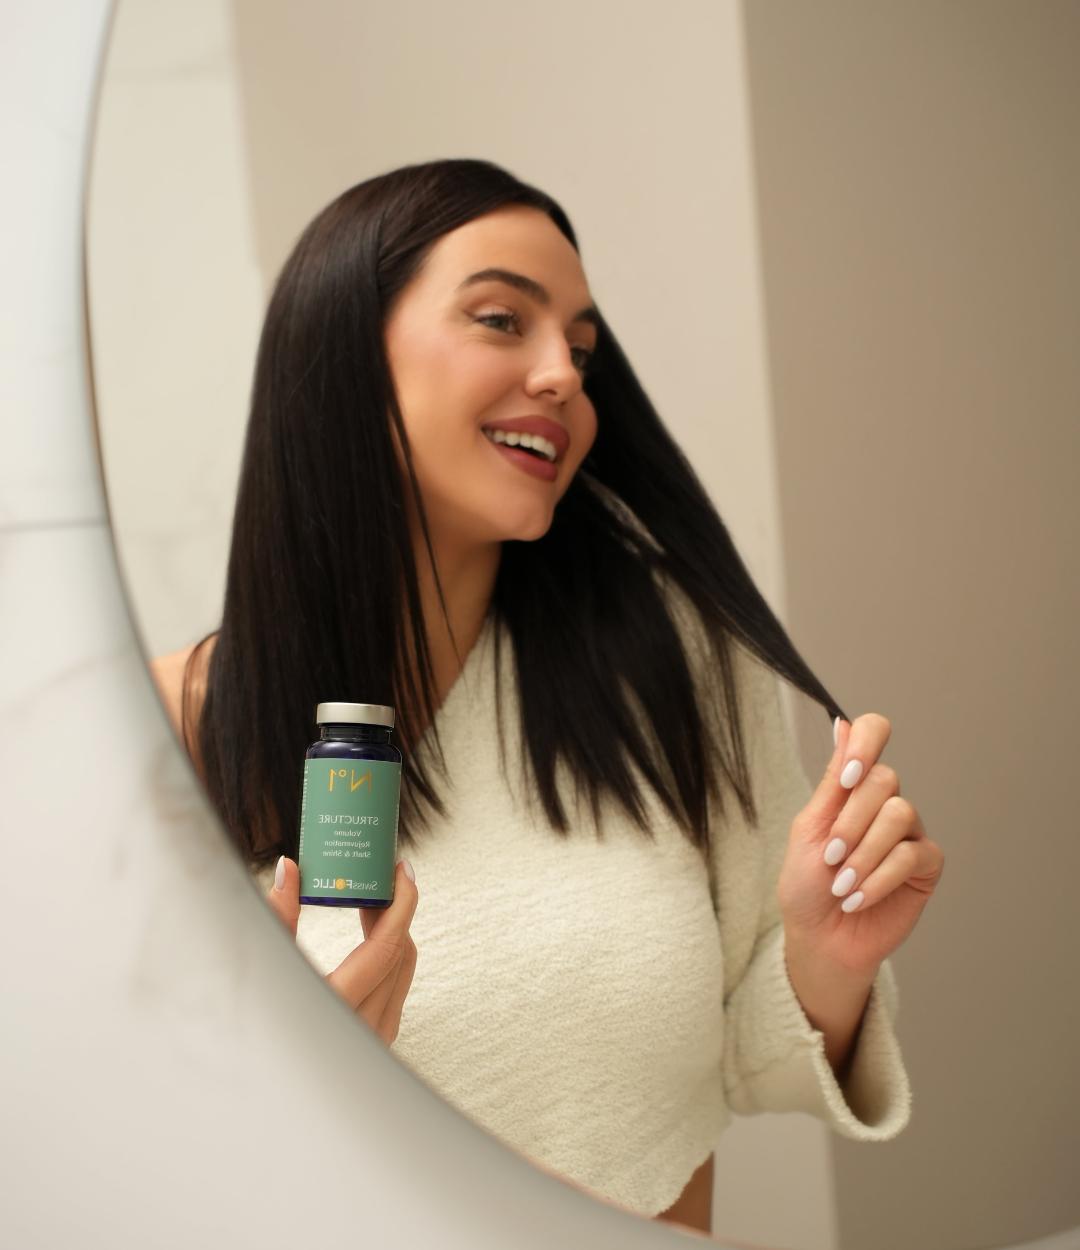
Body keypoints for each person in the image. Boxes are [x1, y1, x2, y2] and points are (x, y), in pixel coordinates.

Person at [151, 158, 944, 1237]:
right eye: (499, 318)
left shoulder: (677, 657)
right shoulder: (166, 730)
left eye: (578, 347)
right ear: (344, 357)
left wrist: (823, 959)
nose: (563, 374)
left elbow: (748, 1055)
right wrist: (285, 1092)